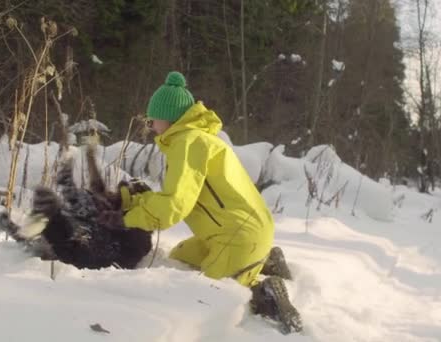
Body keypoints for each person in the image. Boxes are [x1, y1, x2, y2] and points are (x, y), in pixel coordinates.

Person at [112, 71, 302, 334]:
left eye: (153, 119)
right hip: (234, 232)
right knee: (179, 258)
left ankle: (265, 290)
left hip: (240, 236)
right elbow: (180, 196)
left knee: (213, 293)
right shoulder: (198, 139)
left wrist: (123, 220)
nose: (151, 126)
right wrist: (138, 199)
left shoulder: (187, 144)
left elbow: (172, 207)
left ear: (168, 118)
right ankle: (264, 258)